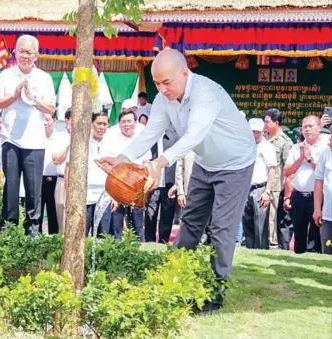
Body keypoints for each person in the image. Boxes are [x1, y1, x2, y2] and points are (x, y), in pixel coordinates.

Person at [100, 49, 256, 313]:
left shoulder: (206, 93)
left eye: (167, 82)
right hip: (206, 164)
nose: (162, 89)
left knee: (220, 229)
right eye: (157, 83)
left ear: (185, 73)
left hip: (235, 164)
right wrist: (122, 158)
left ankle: (215, 293)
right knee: (190, 223)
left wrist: (160, 162)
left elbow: (194, 136)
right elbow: (151, 132)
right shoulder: (163, 98)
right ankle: (172, 279)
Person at [0, 35, 56, 238]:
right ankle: (8, 226)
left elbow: (51, 109)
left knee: (33, 186)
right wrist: (14, 96)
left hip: (35, 140)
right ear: (15, 52)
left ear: (36, 55)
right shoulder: (6, 76)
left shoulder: (44, 78)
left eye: (29, 52)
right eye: (21, 51)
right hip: (10, 138)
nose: (24, 56)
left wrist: (33, 98)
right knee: (10, 184)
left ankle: (33, 227)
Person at [104, 110, 151, 241]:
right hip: (118, 188)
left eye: (129, 121)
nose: (126, 124)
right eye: (123, 122)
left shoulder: (141, 141)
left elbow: (146, 164)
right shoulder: (112, 140)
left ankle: (139, 249)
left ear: (135, 123)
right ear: (119, 124)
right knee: (117, 225)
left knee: (137, 225)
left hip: (137, 190)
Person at [284, 115, 328, 254]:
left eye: (311, 126)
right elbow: (287, 171)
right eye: (304, 127)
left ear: (320, 128)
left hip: (317, 197)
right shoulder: (297, 147)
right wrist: (301, 157)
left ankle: (315, 257)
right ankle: (298, 255)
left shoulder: (325, 147)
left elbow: (324, 172)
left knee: (316, 234)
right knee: (298, 230)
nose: (307, 129)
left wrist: (309, 159)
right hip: (298, 197)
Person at [65, 111, 109, 236]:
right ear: (91, 123)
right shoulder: (80, 143)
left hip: (104, 198)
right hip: (84, 197)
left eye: (105, 124)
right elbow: (68, 168)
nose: (101, 127)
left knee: (103, 237)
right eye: (99, 123)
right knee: (81, 236)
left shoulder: (110, 144)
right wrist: (69, 194)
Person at [242, 118, 277, 250]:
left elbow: (272, 169)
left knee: (261, 225)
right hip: (246, 188)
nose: (255, 135)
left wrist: (267, 191)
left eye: (257, 132)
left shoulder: (267, 147)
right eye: (252, 131)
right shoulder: (244, 146)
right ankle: (250, 250)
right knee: (247, 221)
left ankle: (261, 250)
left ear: (262, 132)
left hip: (260, 188)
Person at [264, 108, 293, 249]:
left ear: (276, 123)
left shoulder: (284, 141)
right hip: (258, 182)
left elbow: (288, 168)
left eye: (267, 122)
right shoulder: (261, 137)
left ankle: (272, 244)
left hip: (275, 186)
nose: (265, 124)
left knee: (271, 217)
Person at [51, 108, 72, 233]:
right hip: (62, 180)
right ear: (67, 121)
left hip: (80, 181)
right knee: (63, 212)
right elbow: (56, 159)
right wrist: (70, 145)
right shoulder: (59, 137)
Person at [40, 112, 59, 234]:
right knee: (37, 211)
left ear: (55, 120)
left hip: (55, 179)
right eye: (43, 120)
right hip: (38, 179)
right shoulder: (36, 137)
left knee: (54, 212)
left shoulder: (61, 137)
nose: (46, 123)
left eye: (48, 120)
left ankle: (54, 238)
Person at [314, 134, 332, 254]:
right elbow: (318, 182)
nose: (330, 137)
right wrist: (317, 209)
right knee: (327, 246)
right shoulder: (325, 153)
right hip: (328, 214)